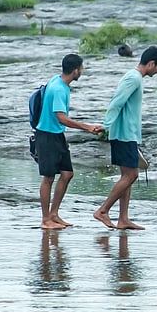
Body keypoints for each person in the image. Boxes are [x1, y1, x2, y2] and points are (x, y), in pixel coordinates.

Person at [94, 46, 157, 230]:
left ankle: (123, 219)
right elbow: (117, 102)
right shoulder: (133, 78)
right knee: (132, 175)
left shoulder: (135, 78)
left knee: (127, 175)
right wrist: (106, 125)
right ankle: (103, 210)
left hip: (128, 134)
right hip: (123, 134)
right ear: (151, 63)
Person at [36, 54, 103, 229]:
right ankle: (45, 220)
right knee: (48, 178)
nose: (82, 71)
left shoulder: (58, 81)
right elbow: (61, 118)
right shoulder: (58, 88)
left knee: (67, 173)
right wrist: (87, 127)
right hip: (47, 135)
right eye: (81, 68)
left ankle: (54, 214)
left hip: (57, 135)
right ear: (75, 71)